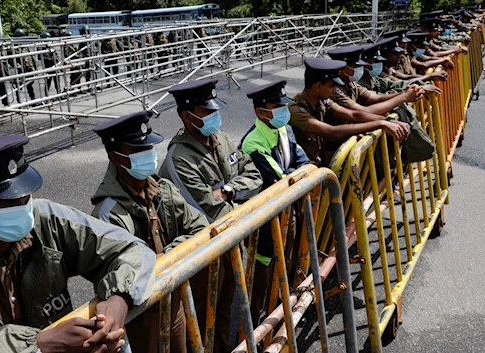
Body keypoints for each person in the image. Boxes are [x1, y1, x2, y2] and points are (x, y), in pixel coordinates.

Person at [0, 135, 156, 353]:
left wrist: (119, 298)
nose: (21, 208)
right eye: (3, 202)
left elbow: (131, 249)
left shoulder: (48, 220)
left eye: (24, 195)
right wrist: (35, 345)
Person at [91, 110, 210, 353]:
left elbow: (199, 225)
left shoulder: (162, 189)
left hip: (172, 296)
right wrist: (160, 259)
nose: (149, 154)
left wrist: (166, 255)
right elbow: (121, 270)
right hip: (139, 314)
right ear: (116, 158)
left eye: (149, 148)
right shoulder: (108, 213)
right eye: (138, 151)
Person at [159, 79, 263, 353]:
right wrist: (244, 203)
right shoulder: (179, 158)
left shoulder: (223, 140)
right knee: (204, 314)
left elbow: (255, 177)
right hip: (203, 253)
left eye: (214, 109)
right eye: (207, 112)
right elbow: (209, 211)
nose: (215, 116)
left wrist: (228, 190)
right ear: (187, 115)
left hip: (231, 243)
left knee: (225, 309)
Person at [239, 81, 310, 325]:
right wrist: (296, 174)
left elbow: (304, 162)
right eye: (277, 107)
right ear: (261, 112)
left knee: (286, 265)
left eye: (284, 106)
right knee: (260, 281)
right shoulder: (253, 142)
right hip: (264, 226)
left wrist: (297, 173)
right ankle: (255, 331)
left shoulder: (284, 130)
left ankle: (279, 315)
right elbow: (280, 179)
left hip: (286, 213)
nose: (283, 111)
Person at [288, 57, 410, 167]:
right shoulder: (296, 109)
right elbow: (332, 132)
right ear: (318, 86)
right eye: (332, 86)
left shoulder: (323, 101)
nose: (335, 89)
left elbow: (354, 115)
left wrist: (388, 121)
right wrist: (380, 124)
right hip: (309, 169)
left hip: (323, 162)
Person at [327, 45, 422, 115]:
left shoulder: (351, 84)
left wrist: (406, 93)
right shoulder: (334, 90)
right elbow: (363, 112)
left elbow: (378, 98)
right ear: (343, 69)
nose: (361, 69)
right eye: (357, 66)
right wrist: (404, 97)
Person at [11, 29, 36, 102]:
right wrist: (16, 65)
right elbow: (10, 59)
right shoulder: (13, 47)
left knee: (30, 85)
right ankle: (20, 103)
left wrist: (34, 67)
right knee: (19, 87)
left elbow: (30, 57)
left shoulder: (25, 46)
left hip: (27, 68)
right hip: (19, 70)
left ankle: (32, 100)